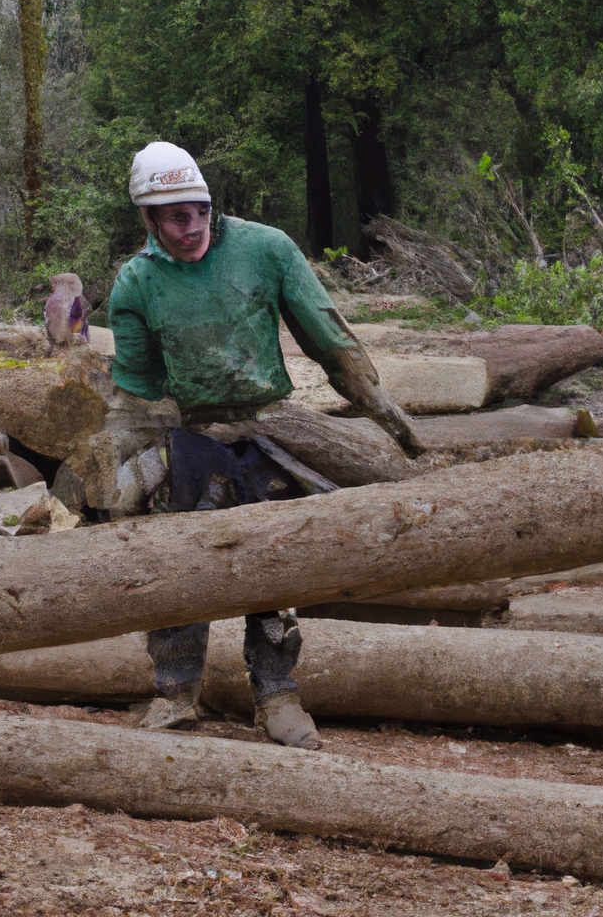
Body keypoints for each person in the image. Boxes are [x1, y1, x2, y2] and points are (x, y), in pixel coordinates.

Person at [109, 141, 420, 750]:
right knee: (180, 568)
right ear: (147, 218)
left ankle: (278, 696)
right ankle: (175, 694)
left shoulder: (266, 249)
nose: (191, 225)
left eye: (198, 210)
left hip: (271, 429)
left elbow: (328, 338)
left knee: (277, 566)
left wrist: (381, 408)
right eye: (174, 216)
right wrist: (123, 469)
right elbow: (138, 387)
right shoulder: (136, 282)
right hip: (190, 433)